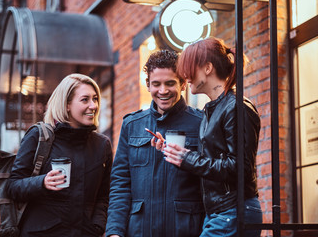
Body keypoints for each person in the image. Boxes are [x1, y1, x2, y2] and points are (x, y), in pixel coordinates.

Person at [153, 37, 262, 237]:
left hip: (233, 210)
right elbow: (213, 160)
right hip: (220, 212)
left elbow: (240, 168)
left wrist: (188, 158)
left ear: (208, 68)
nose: (185, 76)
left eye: (189, 68)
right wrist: (175, 152)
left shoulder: (236, 107)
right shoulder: (211, 110)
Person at [105, 50, 205, 237]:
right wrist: (114, 231)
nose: (163, 91)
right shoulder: (132, 125)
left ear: (183, 83)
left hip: (185, 230)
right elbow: (120, 184)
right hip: (139, 230)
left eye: (170, 83)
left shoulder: (200, 123)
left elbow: (210, 182)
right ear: (148, 85)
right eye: (156, 84)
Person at [7, 73, 113, 237]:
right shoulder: (38, 136)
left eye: (95, 99)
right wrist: (42, 182)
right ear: (67, 105)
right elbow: (12, 187)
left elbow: (104, 195)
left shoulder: (102, 145)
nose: (93, 105)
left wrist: (97, 226)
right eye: (85, 99)